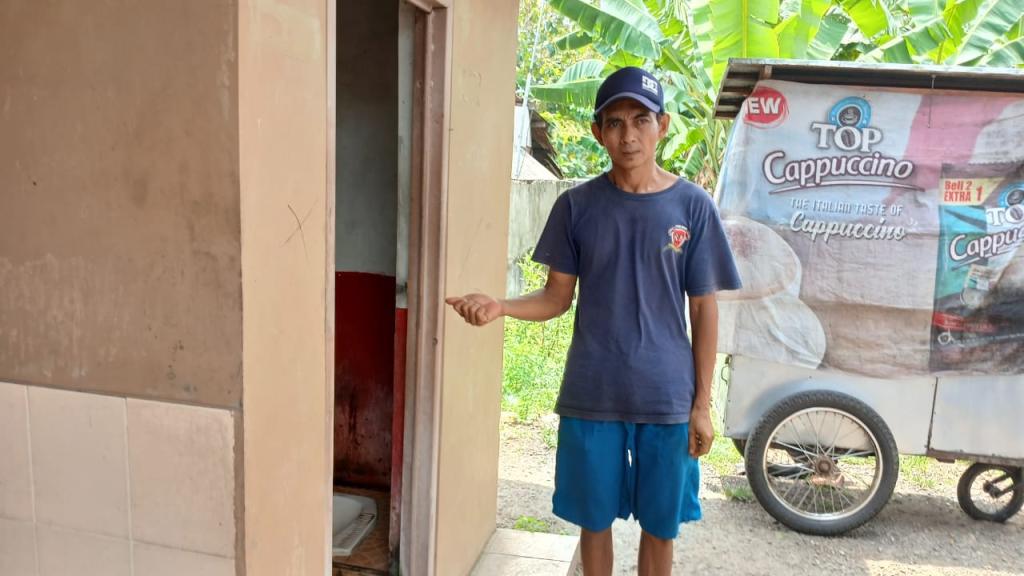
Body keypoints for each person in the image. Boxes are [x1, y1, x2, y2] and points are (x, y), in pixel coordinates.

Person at [446, 67, 741, 575]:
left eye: (641, 120)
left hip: (667, 399)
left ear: (663, 125)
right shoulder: (576, 207)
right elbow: (556, 297)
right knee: (594, 523)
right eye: (615, 122)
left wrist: (701, 405)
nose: (628, 135)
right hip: (591, 395)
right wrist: (501, 305)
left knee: (660, 528)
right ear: (597, 131)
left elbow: (703, 309)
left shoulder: (693, 207)